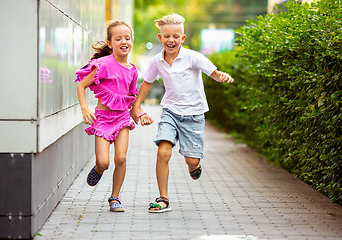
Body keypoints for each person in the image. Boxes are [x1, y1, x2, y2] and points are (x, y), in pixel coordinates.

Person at [130, 14, 234, 213]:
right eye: (167, 36)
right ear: (160, 38)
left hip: (194, 115)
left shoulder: (193, 57)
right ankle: (163, 198)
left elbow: (214, 73)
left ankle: (194, 166)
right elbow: (147, 83)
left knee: (192, 160)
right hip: (170, 111)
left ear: (183, 38)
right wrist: (136, 106)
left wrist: (221, 77)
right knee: (163, 151)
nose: (171, 40)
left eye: (176, 36)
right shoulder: (157, 61)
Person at [75, 20, 153, 212]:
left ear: (132, 41)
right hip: (102, 119)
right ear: (110, 43)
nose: (123, 41)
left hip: (122, 120)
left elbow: (132, 99)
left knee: (120, 159)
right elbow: (81, 86)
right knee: (104, 161)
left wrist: (141, 113)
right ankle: (99, 170)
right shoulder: (103, 65)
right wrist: (85, 109)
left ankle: (115, 197)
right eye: (118, 38)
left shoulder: (133, 70)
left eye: (127, 38)